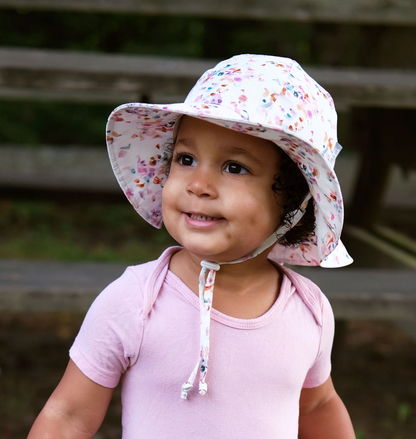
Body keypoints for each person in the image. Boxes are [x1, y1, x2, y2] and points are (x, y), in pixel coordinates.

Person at [28, 54, 355, 438]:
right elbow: (67, 417)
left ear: (295, 199)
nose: (198, 183)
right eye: (186, 159)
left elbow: (317, 404)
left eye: (234, 167)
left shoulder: (308, 312)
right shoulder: (136, 302)